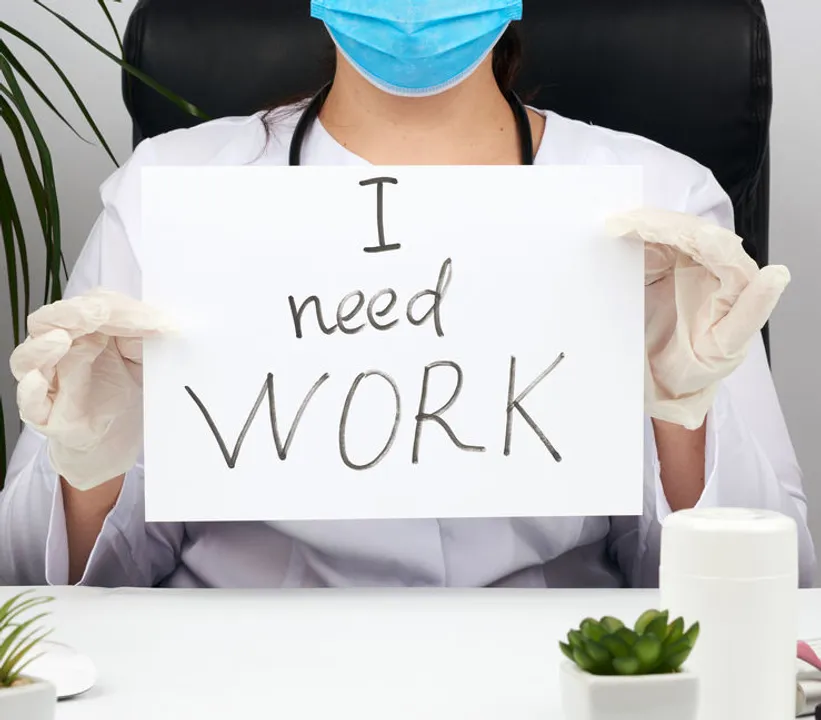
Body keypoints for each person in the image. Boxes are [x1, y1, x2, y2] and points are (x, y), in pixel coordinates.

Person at [0, 1, 815, 589]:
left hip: (556, 672)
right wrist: (91, 471)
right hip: (239, 673)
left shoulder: (658, 200)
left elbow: (771, 585)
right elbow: (49, 597)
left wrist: (683, 418)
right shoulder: (170, 192)